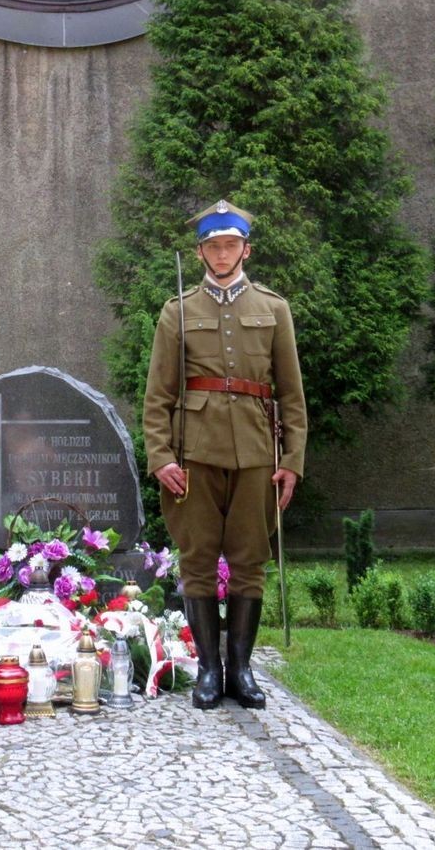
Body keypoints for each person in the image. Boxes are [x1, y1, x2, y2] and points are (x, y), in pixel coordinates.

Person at [143, 199, 306, 710]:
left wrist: (292, 459)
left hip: (258, 451)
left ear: (245, 249)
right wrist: (161, 455)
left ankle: (241, 669)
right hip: (195, 454)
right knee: (196, 562)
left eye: (230, 244)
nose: (221, 253)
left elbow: (291, 393)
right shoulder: (179, 311)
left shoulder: (274, 309)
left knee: (249, 563)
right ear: (200, 253)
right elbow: (158, 395)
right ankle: (209, 672)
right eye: (213, 245)